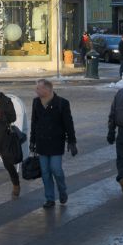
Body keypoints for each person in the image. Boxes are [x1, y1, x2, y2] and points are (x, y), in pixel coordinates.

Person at [29, 79, 78, 208]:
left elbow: (68, 123)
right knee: (45, 172)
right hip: (41, 143)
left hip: (56, 142)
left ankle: (62, 191)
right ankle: (49, 198)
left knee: (56, 169)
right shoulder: (36, 102)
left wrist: (72, 141)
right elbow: (34, 123)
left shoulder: (62, 103)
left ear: (47, 90)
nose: (36, 90)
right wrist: (32, 141)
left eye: (38, 88)